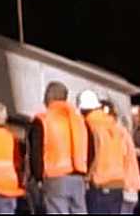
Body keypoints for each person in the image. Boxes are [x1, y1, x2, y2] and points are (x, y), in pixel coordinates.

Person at [79, 90, 140, 214]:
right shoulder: (117, 128)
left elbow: (93, 154)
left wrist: (86, 177)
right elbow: (128, 156)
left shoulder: (89, 126)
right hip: (119, 185)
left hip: (99, 185)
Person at [38, 81, 92, 214]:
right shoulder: (80, 120)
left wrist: (38, 177)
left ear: (50, 97)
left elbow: (36, 152)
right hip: (78, 179)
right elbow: (91, 149)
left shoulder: (43, 119)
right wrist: (86, 172)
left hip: (55, 179)